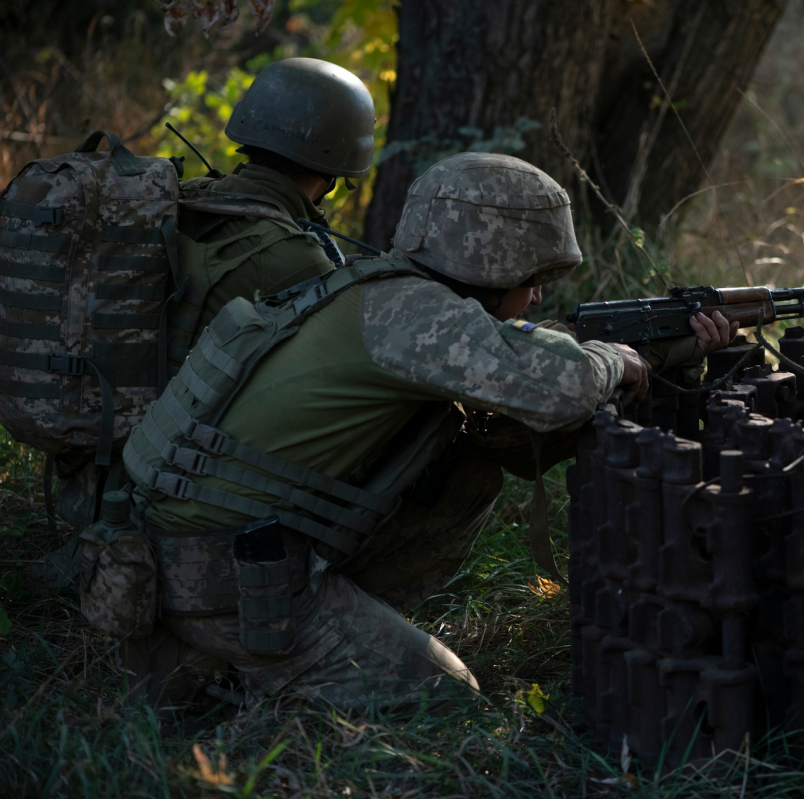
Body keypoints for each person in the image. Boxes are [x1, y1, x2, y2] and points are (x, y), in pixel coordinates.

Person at [115, 152, 737, 709]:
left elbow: (515, 419)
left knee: (467, 458)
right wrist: (618, 359)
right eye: (534, 275)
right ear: (496, 261)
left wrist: (663, 356)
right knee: (451, 703)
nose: (540, 292)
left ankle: (234, 655)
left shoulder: (380, 293)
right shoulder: (412, 317)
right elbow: (559, 388)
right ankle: (247, 676)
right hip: (231, 576)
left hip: (202, 551)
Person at [49, 57, 377, 534]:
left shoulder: (179, 198)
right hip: (175, 505)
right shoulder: (295, 259)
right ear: (335, 171)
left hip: (91, 481)